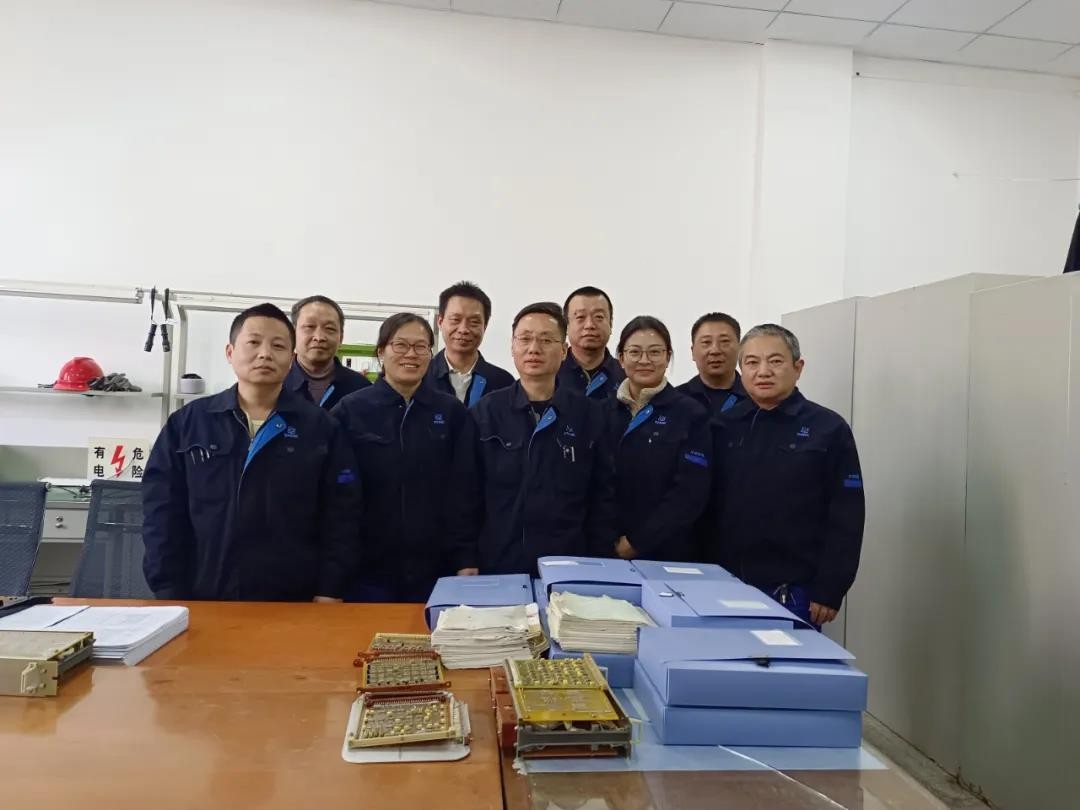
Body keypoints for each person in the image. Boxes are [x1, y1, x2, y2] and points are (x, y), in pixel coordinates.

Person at [142, 303, 360, 602]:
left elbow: (342, 515)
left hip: (294, 598)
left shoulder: (321, 428)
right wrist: (168, 589)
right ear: (230, 352)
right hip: (203, 593)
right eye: (253, 342)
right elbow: (161, 513)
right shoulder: (189, 424)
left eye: (278, 346)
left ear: (291, 357)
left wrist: (330, 588)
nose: (265, 354)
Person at [707, 324, 865, 628]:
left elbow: (847, 516)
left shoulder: (828, 429)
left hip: (793, 592)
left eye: (775, 361)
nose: (763, 371)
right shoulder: (724, 425)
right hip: (724, 584)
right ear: (741, 370)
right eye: (752, 362)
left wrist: (831, 588)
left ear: (798, 367)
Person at [332, 313, 480, 602]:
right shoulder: (350, 411)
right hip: (366, 569)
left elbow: (465, 490)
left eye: (421, 346)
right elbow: (337, 499)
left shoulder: (452, 413)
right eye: (400, 345)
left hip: (436, 567)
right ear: (381, 352)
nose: (411, 354)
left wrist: (466, 556)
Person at [472, 302, 618, 574]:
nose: (534, 348)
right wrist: (466, 557)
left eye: (546, 340)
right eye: (525, 339)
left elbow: (602, 496)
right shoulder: (486, 412)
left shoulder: (589, 415)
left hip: (569, 563)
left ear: (564, 351)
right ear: (512, 347)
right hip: (499, 562)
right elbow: (466, 493)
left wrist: (600, 559)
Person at [606, 316, 712, 562]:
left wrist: (637, 542)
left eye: (654, 352)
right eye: (635, 352)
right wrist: (605, 538)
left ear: (668, 357)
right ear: (621, 358)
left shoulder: (691, 414)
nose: (644, 360)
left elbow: (690, 492)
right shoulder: (601, 411)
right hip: (605, 548)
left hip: (668, 551)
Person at [426, 281, 514, 407]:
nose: (463, 329)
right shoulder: (422, 376)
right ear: (440, 322)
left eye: (474, 322)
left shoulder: (503, 382)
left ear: (485, 326)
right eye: (455, 319)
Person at [285, 295, 371, 410]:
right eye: (309, 326)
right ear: (292, 333)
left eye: (329, 328)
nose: (319, 337)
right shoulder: (273, 384)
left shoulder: (361, 388)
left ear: (341, 337)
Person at [557, 286, 625, 400]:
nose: (589, 325)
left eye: (598, 317)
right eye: (580, 317)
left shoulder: (627, 375)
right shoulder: (549, 373)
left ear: (611, 323)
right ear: (566, 326)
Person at [678, 312, 748, 418]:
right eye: (706, 342)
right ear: (693, 352)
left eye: (724, 341)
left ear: (740, 349)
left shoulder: (757, 397)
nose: (715, 350)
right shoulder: (675, 400)